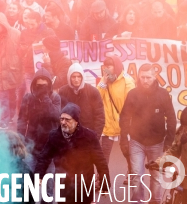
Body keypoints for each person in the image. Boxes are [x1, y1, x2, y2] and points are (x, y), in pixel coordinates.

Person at [120, 64, 176, 204]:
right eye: (143, 77)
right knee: (136, 175)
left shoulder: (163, 94)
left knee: (156, 176)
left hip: (157, 142)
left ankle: (155, 201)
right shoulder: (133, 94)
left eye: (148, 77)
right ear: (139, 77)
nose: (145, 80)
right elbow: (125, 117)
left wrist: (169, 142)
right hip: (136, 141)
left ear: (154, 76)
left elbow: (171, 118)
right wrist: (123, 139)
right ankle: (137, 201)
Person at [35, 103, 110, 203]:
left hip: (84, 183)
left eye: (67, 119)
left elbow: (100, 161)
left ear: (76, 121)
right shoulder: (55, 135)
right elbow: (44, 157)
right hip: (63, 184)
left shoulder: (89, 136)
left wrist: (104, 184)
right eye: (61, 119)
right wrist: (39, 175)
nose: (63, 122)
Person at [98, 55, 135, 176]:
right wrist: (103, 83)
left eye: (109, 66)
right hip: (108, 124)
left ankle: (131, 172)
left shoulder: (127, 81)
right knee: (103, 154)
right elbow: (97, 99)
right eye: (105, 66)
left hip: (124, 123)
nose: (106, 69)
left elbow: (131, 103)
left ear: (116, 67)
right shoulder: (104, 80)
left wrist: (128, 121)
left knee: (127, 151)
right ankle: (101, 178)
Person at [17, 69, 61, 162]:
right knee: (30, 174)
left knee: (48, 175)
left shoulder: (55, 97)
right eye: (39, 86)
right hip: (31, 144)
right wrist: (21, 141)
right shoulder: (28, 98)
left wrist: (45, 98)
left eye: (44, 86)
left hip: (49, 145)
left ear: (49, 85)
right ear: (34, 85)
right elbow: (22, 121)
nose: (41, 88)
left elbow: (56, 116)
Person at [59, 63, 105, 136]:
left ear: (82, 77)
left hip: (88, 135)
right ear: (69, 77)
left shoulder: (92, 91)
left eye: (79, 76)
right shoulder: (63, 92)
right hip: (69, 136)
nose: (76, 80)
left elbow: (100, 116)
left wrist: (95, 137)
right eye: (73, 77)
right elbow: (60, 115)